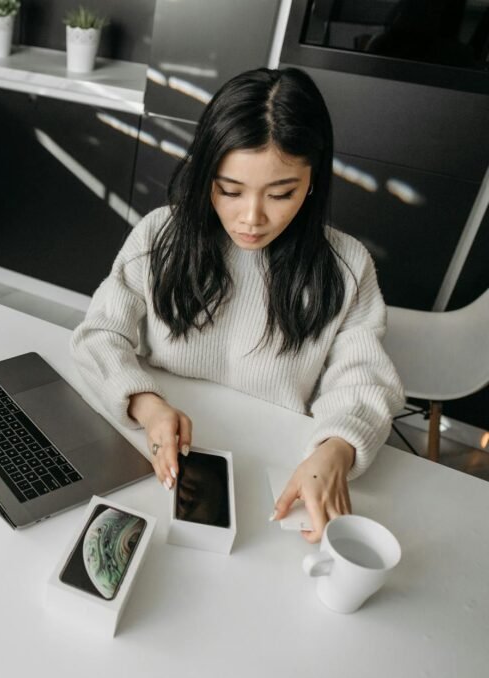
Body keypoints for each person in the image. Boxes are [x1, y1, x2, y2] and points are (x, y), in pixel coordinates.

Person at [70, 67, 405, 542]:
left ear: (313, 182)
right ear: (205, 173)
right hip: (145, 458)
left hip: (274, 478)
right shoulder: (160, 235)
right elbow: (99, 335)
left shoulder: (347, 267)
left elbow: (363, 378)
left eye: (281, 193)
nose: (252, 218)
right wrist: (146, 404)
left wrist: (337, 448)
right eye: (229, 190)